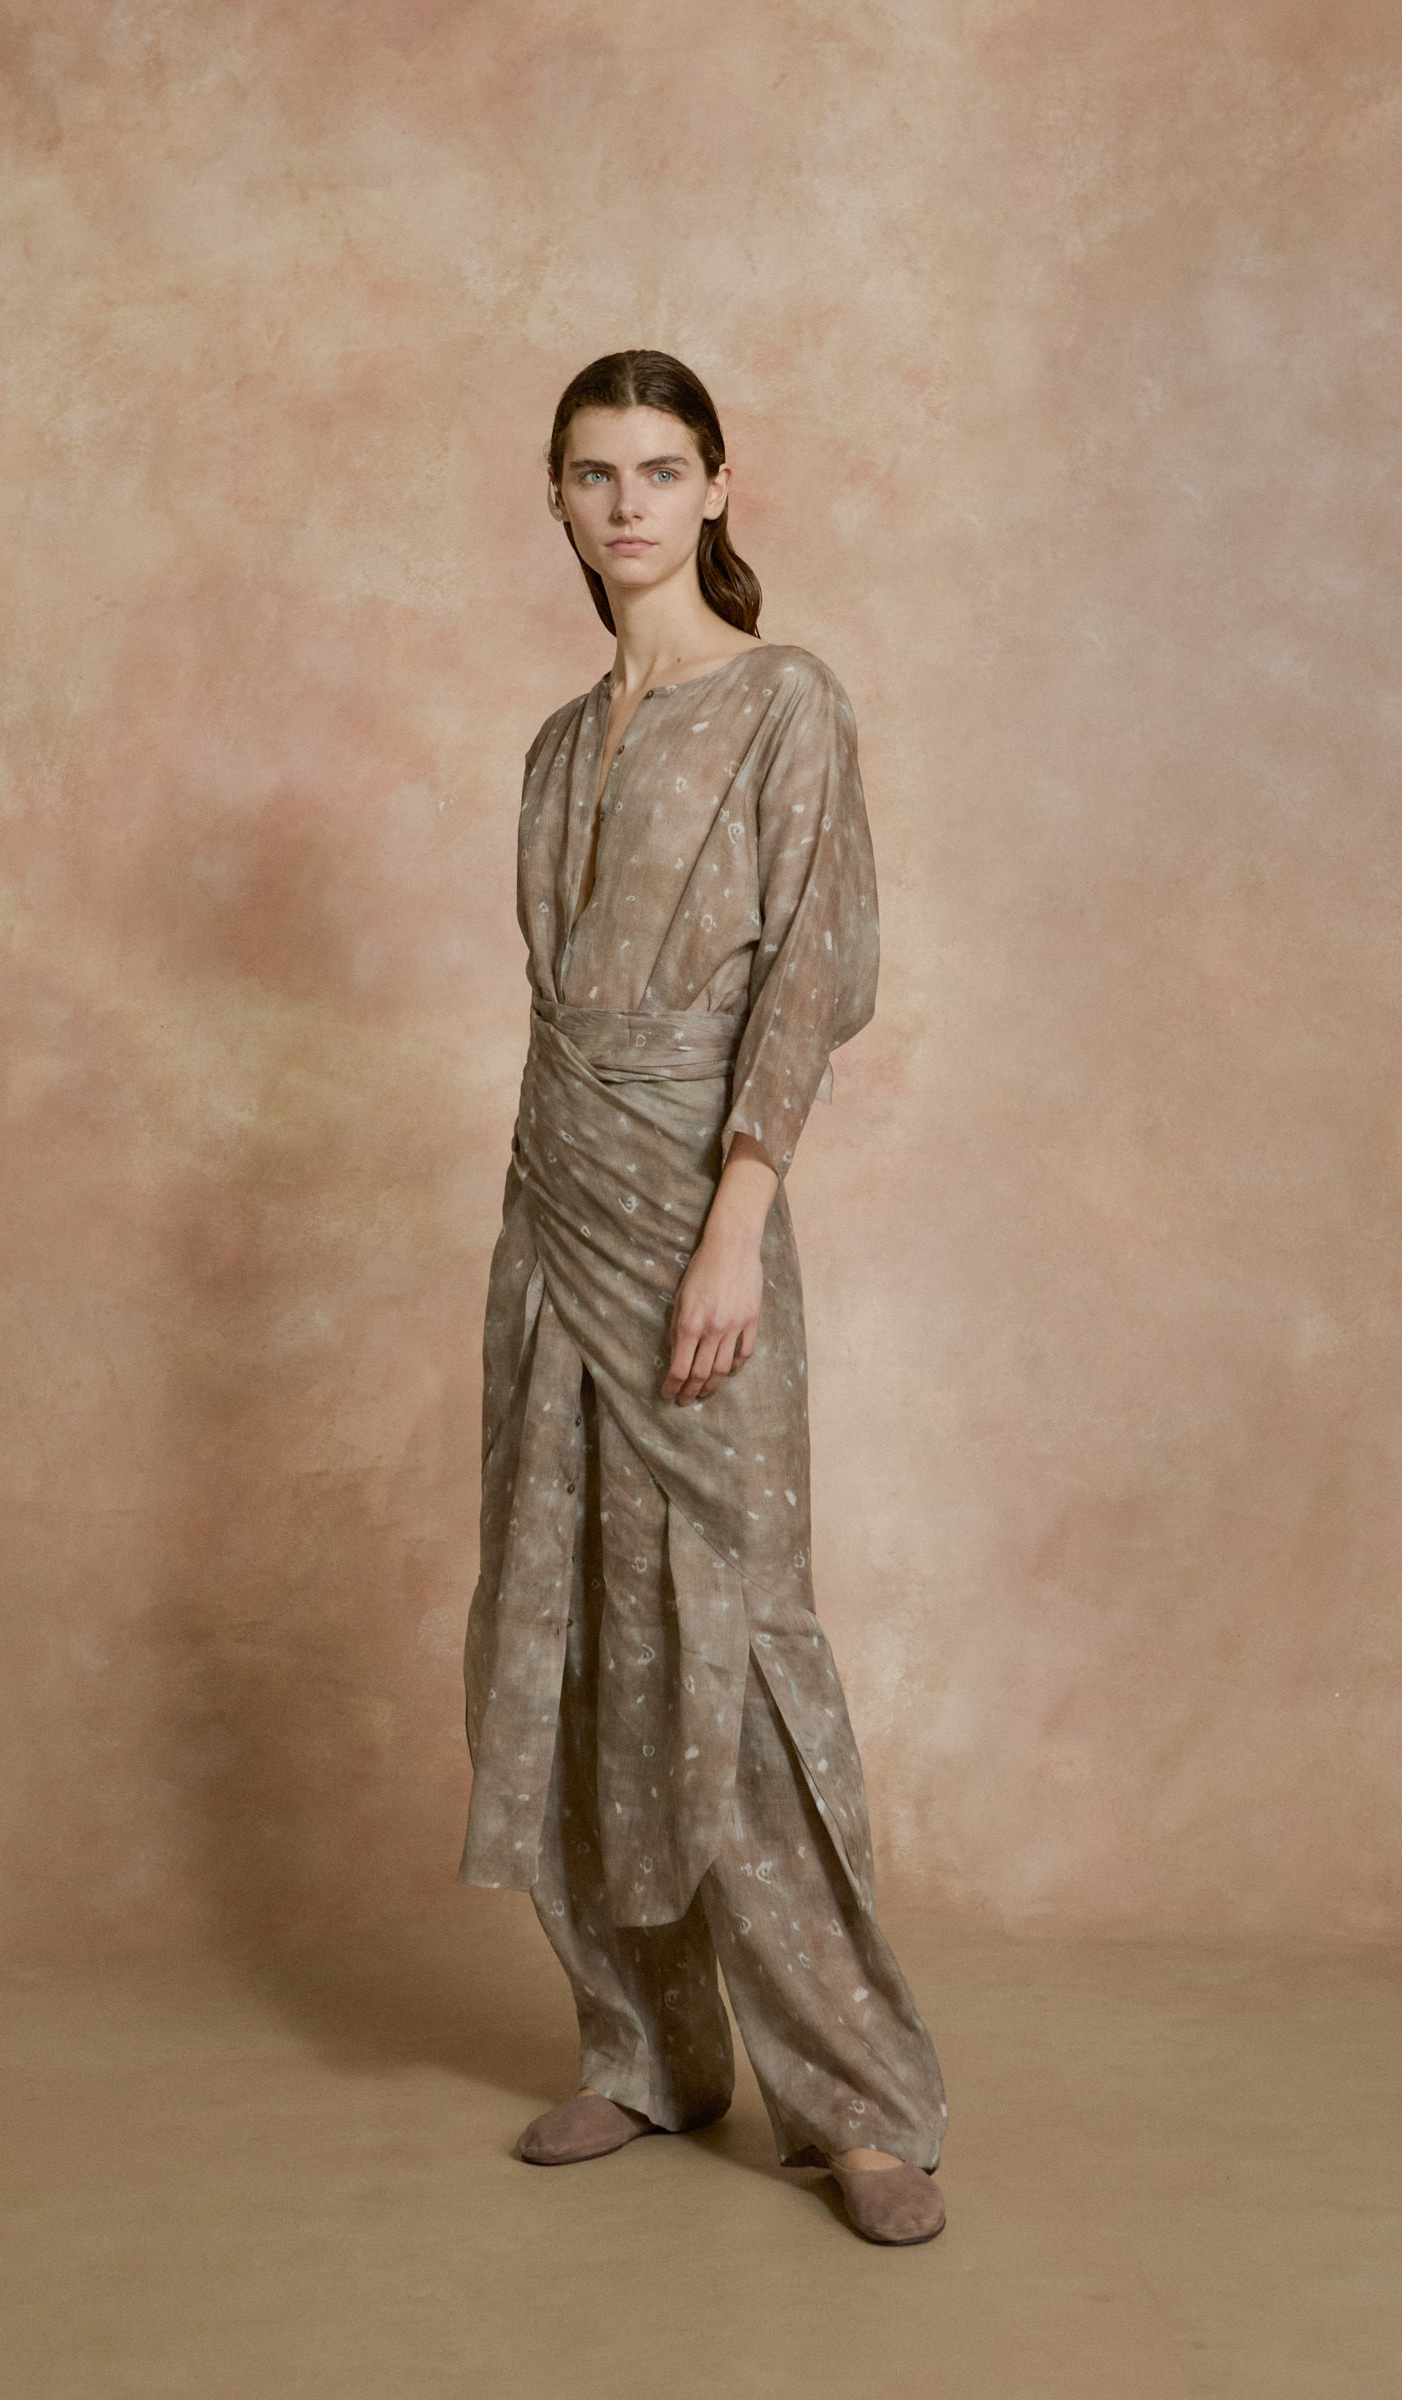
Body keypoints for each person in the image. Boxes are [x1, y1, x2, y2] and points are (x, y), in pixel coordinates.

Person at [458, 349, 947, 2245]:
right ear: (558, 499)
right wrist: (546, 1219)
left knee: (735, 1629)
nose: (629, 504)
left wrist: (739, 1215)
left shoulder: (784, 703)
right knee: (566, 1616)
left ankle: (861, 2102)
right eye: (596, 473)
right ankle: (650, 2052)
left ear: (720, 487)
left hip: (692, 1202)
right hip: (550, 1203)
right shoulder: (556, 744)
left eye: (663, 469)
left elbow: (814, 968)